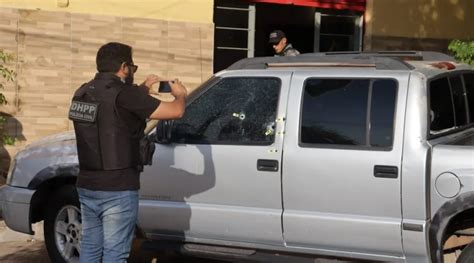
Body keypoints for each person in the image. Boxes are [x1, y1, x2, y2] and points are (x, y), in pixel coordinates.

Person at [68, 42, 187, 263]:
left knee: (91, 247)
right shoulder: (126, 95)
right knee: (116, 253)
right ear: (124, 67)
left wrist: (142, 89)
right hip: (118, 187)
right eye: (133, 66)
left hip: (87, 183)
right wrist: (180, 95)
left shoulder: (83, 91)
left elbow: (111, 111)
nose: (133, 70)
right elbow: (176, 111)